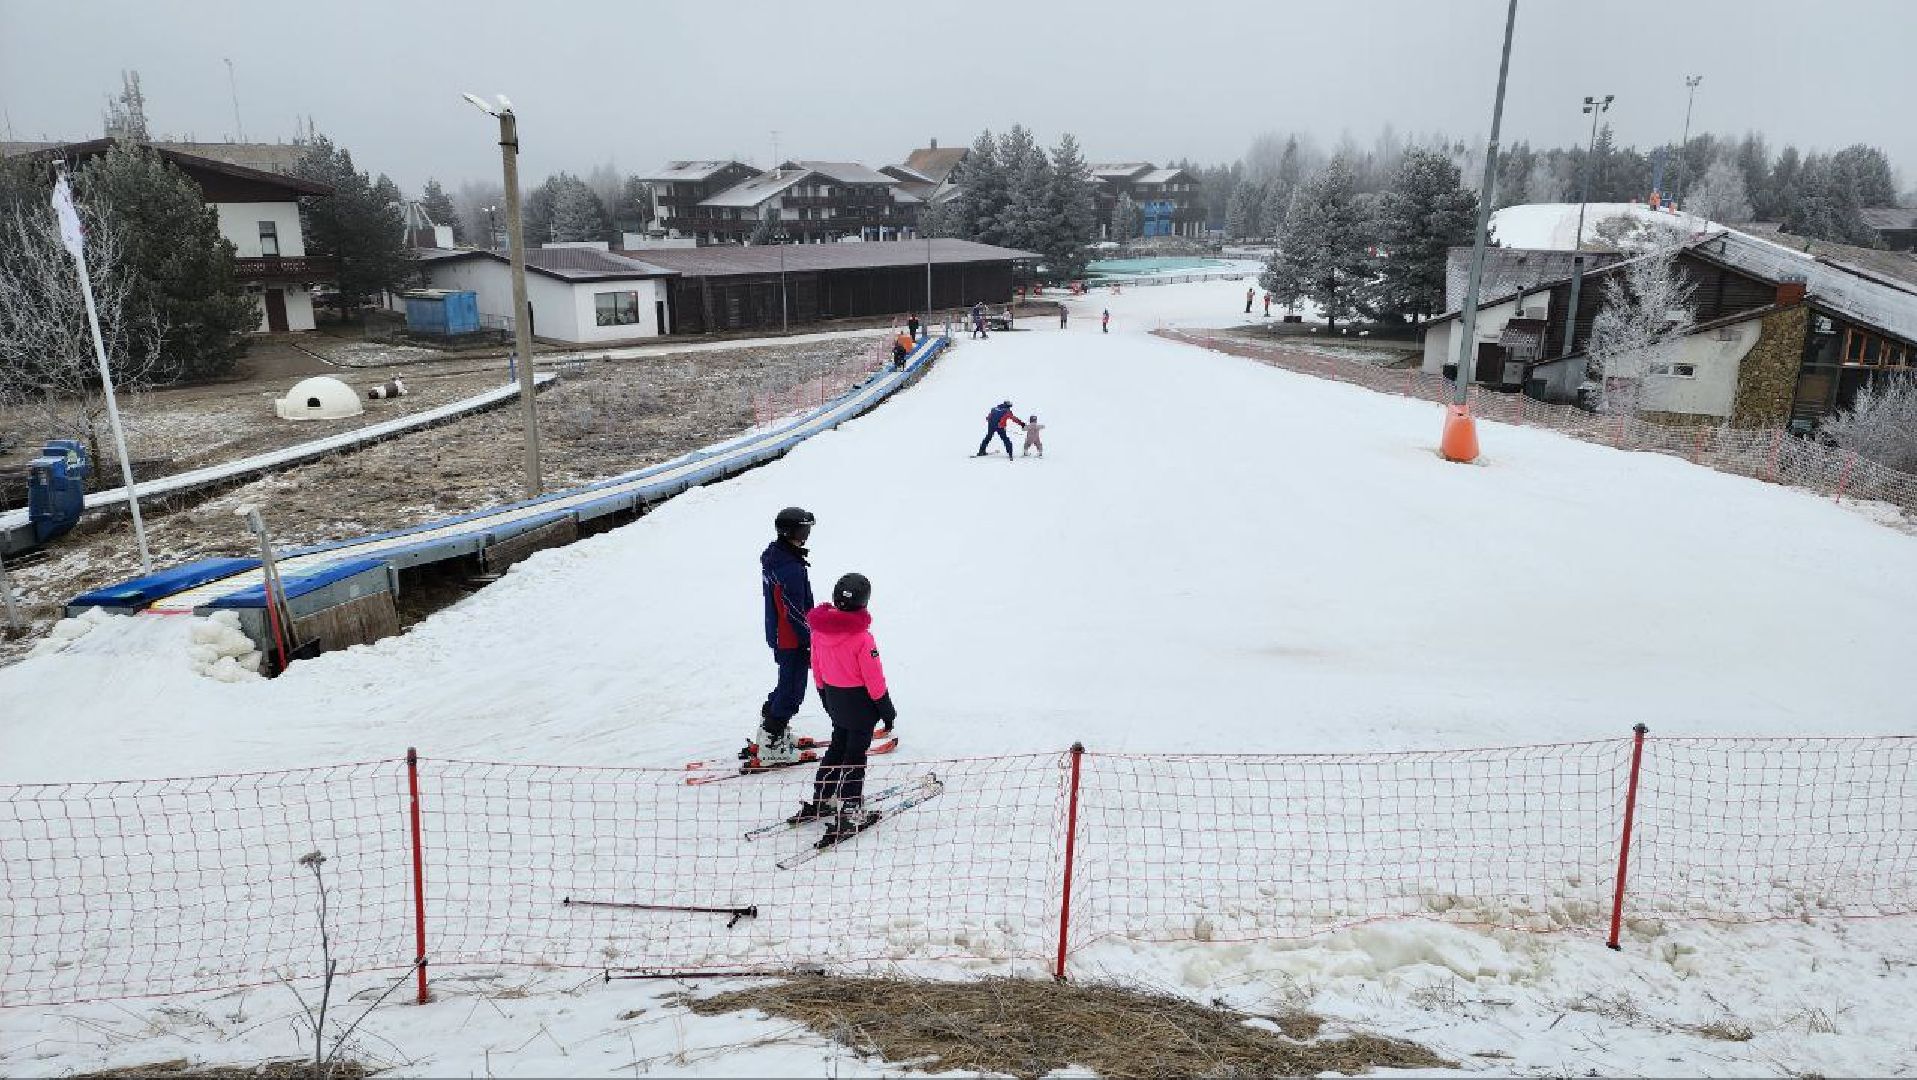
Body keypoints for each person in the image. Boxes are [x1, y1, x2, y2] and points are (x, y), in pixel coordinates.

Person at [787, 572, 897, 844]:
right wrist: (886, 710)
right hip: (860, 706)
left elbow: (818, 669)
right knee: (855, 754)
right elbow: (874, 680)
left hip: (835, 701)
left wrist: (825, 697)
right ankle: (849, 810)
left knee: (837, 747)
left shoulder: (819, 630)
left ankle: (823, 797)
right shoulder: (862, 638)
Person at [755, 506, 815, 766]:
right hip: (792, 638)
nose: (807, 535)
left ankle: (769, 730)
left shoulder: (778, 556)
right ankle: (771, 743)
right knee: (792, 691)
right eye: (804, 530)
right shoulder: (789, 567)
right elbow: (794, 611)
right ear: (790, 532)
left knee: (786, 684)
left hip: (781, 634)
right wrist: (811, 640)